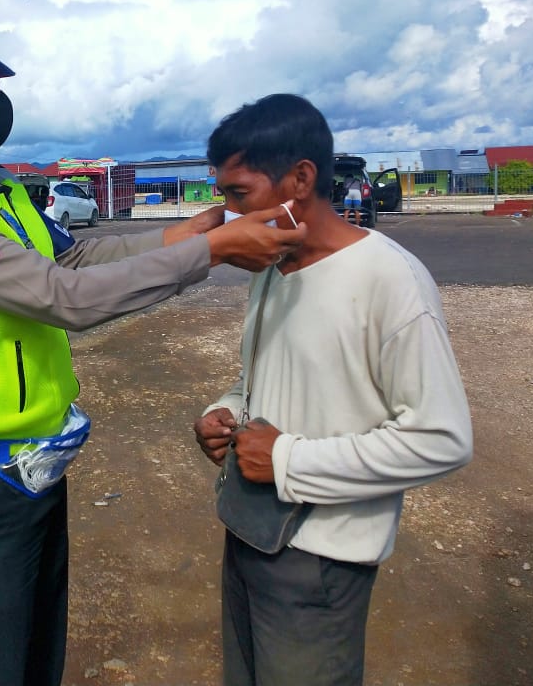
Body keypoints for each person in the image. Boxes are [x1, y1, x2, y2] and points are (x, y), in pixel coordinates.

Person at [0, 0, 306, 686]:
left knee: (36, 657)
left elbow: (68, 259)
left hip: (32, 469)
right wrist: (211, 255)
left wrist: (180, 234)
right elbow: (62, 298)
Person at [193, 94, 473, 686]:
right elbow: (262, 378)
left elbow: (442, 438)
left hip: (321, 559)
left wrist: (288, 460)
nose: (227, 214)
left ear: (300, 179)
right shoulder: (276, 268)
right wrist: (223, 412)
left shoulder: (389, 280)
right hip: (251, 530)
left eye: (238, 194)